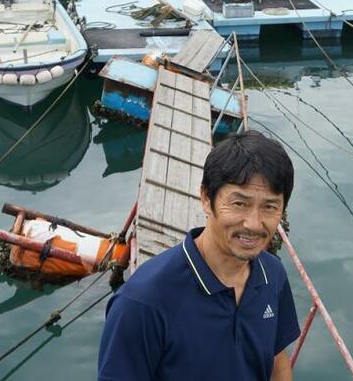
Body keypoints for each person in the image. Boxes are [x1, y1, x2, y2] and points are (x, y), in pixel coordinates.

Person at [98, 131, 300, 380]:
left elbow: (277, 362)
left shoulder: (273, 274)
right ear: (206, 198)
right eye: (239, 203)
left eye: (269, 207)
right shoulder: (143, 302)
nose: (254, 224)